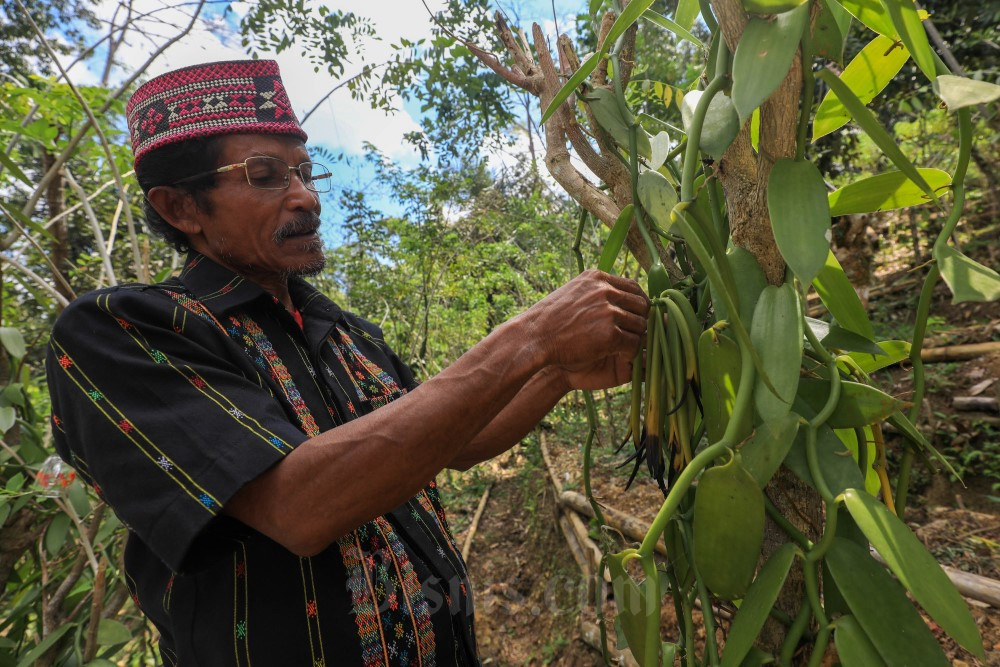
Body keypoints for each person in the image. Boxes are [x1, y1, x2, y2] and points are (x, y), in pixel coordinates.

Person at [46, 59, 649, 666]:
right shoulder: (122, 331)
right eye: (264, 176)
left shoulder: (345, 332)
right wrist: (531, 338)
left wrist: (559, 374)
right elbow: (298, 507)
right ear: (181, 208)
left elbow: (456, 442)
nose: (305, 196)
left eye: (306, 173)